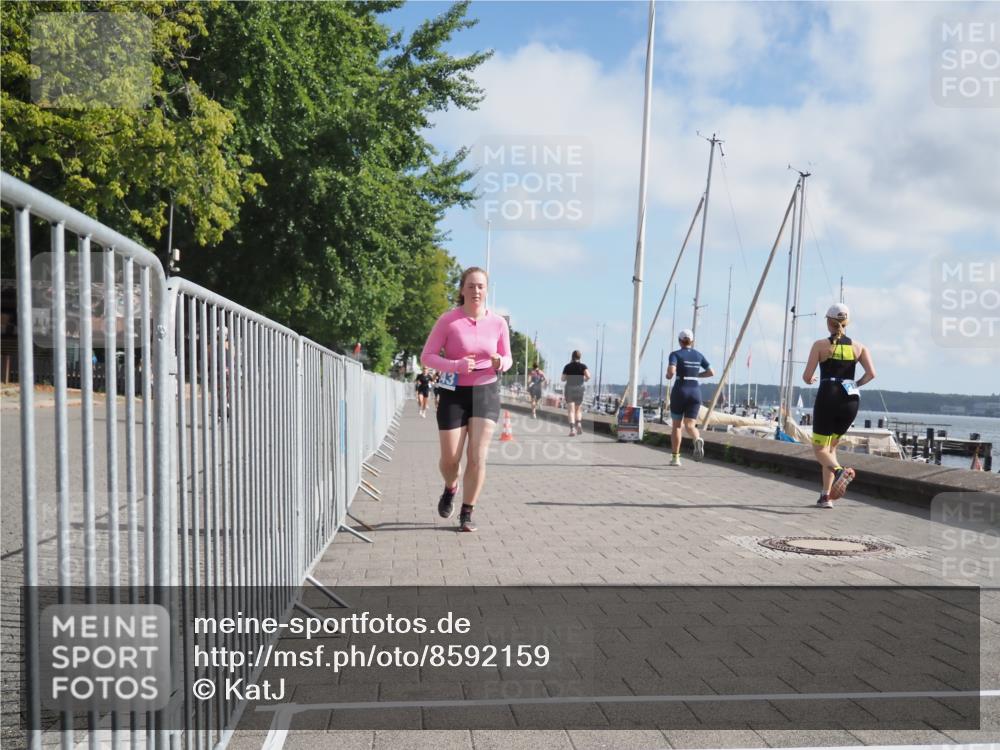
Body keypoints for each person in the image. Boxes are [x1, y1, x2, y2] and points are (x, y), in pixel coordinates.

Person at [421, 267, 512, 532]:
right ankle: (451, 486)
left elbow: (507, 358)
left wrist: (500, 362)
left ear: (487, 290)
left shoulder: (498, 323)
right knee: (450, 460)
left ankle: (467, 511)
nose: (476, 291)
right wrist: (456, 365)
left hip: (486, 390)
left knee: (477, 457)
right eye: (471, 286)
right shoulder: (448, 320)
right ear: (462, 289)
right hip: (453, 392)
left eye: (481, 286)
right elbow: (427, 356)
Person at [802, 303, 876, 508]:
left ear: (828, 322)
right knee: (830, 448)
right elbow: (871, 374)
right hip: (850, 400)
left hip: (828, 395)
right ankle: (826, 496)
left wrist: (810, 380)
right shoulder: (859, 347)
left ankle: (840, 472)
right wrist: (855, 384)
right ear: (846, 323)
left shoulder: (820, 345)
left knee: (819, 450)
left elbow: (807, 376)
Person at [665, 329, 714, 466]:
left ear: (680, 341)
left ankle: (675, 458)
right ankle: (697, 438)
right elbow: (711, 372)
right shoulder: (698, 355)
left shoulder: (675, 354)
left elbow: (671, 371)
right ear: (692, 341)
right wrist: (697, 375)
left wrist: (669, 375)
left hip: (680, 390)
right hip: (695, 392)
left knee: (677, 426)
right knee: (690, 425)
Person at [561, 351, 591, 436]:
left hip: (569, 388)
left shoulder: (567, 366)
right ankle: (579, 424)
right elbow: (588, 376)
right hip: (579, 389)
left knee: (571, 410)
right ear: (580, 357)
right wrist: (584, 380)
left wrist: (568, 376)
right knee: (578, 409)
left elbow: (562, 379)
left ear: (572, 356)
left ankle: (572, 429)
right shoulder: (583, 366)